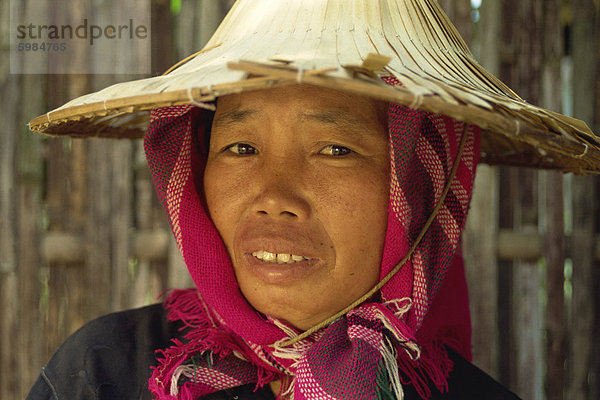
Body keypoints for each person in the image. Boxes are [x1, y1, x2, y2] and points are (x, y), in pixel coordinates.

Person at [26, 0, 600, 399]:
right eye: (242, 146)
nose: (274, 197)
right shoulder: (103, 373)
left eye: (334, 149)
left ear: (421, 188)